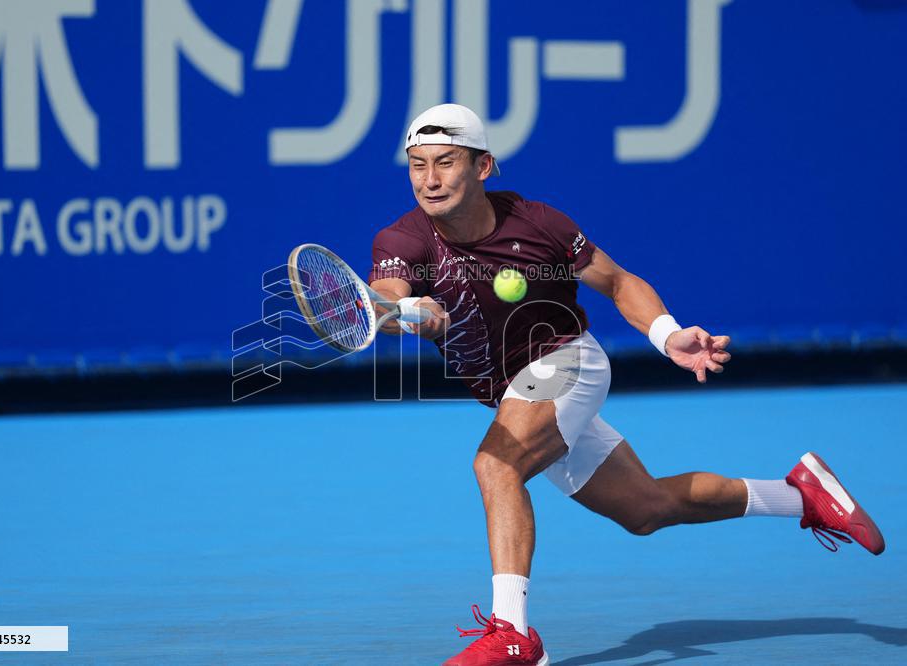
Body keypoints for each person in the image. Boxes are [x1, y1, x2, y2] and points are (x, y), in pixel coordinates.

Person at [367, 104, 885, 666]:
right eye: (417, 165)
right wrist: (407, 311)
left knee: (497, 463)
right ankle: (802, 494)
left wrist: (667, 336)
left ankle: (512, 633)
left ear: (484, 166)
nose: (430, 180)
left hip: (566, 362)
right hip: (515, 390)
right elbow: (390, 295)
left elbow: (616, 282)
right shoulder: (403, 238)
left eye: (446, 162)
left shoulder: (539, 223)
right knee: (646, 509)